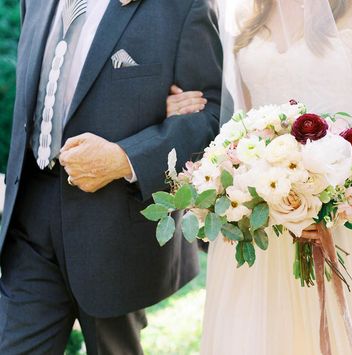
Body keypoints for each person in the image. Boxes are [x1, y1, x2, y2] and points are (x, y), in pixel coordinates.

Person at [168, 0, 352, 354]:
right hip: (263, 218)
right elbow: (247, 122)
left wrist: (328, 189)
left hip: (342, 217)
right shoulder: (244, 15)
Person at [0, 0, 222, 353]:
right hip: (30, 219)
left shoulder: (182, 7)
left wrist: (124, 158)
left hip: (116, 226)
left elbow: (212, 115)